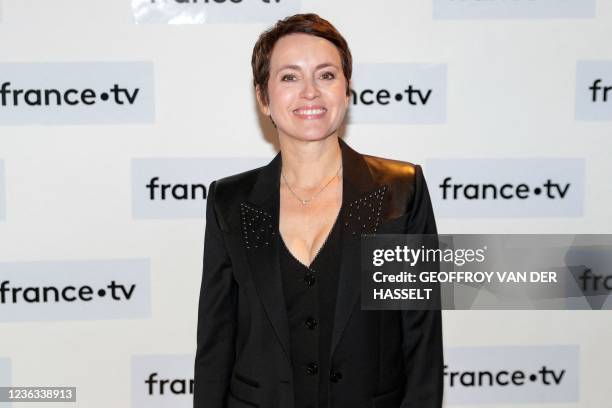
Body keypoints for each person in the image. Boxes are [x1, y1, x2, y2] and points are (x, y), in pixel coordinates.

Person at [194, 13, 443, 408]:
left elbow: (421, 338)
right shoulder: (233, 201)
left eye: (326, 75)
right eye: (290, 77)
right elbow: (216, 340)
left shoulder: (399, 191)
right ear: (263, 97)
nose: (310, 92)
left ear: (347, 91)